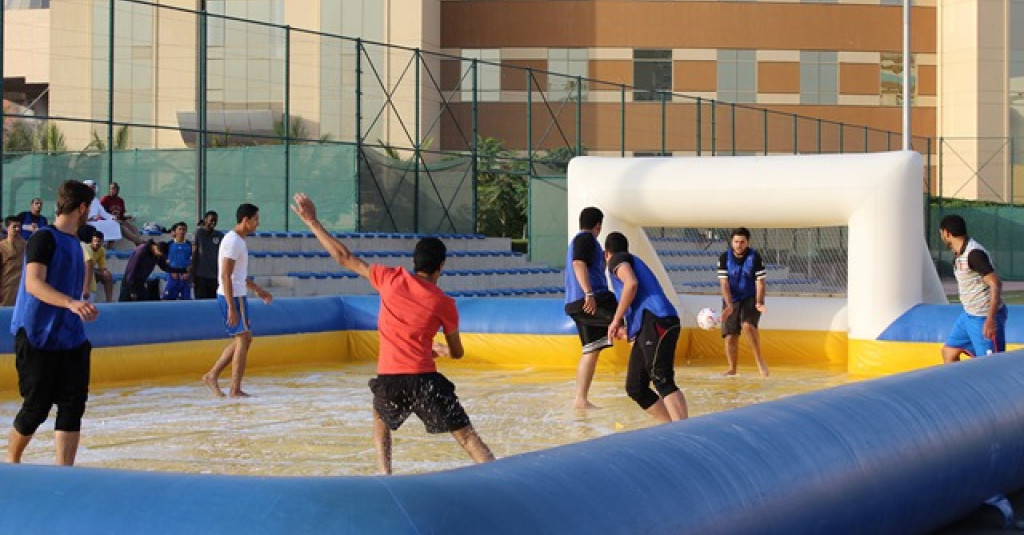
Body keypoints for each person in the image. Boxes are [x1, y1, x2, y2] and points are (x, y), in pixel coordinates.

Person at [290, 192, 494, 475]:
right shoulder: (445, 303)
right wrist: (441, 350)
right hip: (424, 380)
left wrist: (312, 222)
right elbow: (458, 353)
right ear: (441, 266)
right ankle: (497, 477)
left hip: (390, 378)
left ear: (414, 262)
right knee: (467, 437)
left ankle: (385, 474)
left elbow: (343, 257)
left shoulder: (390, 279)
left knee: (380, 422)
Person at [7, 180, 99, 466]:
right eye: (89, 208)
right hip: (37, 334)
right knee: (36, 407)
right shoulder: (43, 238)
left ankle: (64, 472)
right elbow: (34, 284)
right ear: (82, 208)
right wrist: (71, 303)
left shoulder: (76, 243)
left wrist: (77, 306)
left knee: (73, 405)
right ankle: (11, 462)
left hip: (71, 337)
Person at [604, 232, 688, 423]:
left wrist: (616, 319)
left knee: (661, 378)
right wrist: (629, 330)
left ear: (606, 253)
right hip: (650, 325)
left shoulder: (617, 259)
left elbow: (631, 283)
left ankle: (684, 430)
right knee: (636, 387)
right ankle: (670, 426)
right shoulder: (633, 260)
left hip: (658, 321)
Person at [202, 204, 273, 398]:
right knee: (242, 339)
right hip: (232, 296)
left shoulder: (238, 241)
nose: (258, 223)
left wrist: (258, 290)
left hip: (237, 294)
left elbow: (238, 275)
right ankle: (235, 388)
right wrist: (231, 307)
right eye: (256, 219)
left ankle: (213, 375)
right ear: (245, 220)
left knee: (245, 338)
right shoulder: (233, 241)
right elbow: (226, 275)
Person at [564, 206, 617, 409]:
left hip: (575, 304)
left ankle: (580, 399)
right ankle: (646, 380)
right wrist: (589, 292)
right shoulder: (586, 239)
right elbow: (579, 263)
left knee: (591, 349)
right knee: (628, 322)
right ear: (598, 225)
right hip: (591, 300)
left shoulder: (577, 242)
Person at [938, 214, 1007, 362]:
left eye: (941, 233)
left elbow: (995, 283)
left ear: (947, 233)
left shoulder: (974, 254)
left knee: (990, 365)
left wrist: (990, 319)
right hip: (969, 314)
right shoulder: (959, 253)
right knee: (949, 352)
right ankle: (958, 378)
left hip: (983, 317)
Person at [718, 227, 769, 377]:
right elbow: (724, 284)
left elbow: (760, 283)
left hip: (750, 297)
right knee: (730, 335)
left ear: (747, 242)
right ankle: (732, 368)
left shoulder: (755, 257)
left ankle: (759, 360)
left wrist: (759, 302)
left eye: (742, 242)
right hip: (732, 298)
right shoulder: (724, 258)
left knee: (747, 325)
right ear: (731, 242)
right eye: (736, 242)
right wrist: (729, 305)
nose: (739, 245)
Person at [83, 179, 144, 245]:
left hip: (97, 223)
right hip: (87, 223)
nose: (93, 190)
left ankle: (139, 242)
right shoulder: (82, 200)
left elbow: (104, 214)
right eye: (91, 188)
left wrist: (113, 218)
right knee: (117, 225)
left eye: (93, 188)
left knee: (116, 224)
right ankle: (140, 242)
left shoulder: (95, 201)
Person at [192, 211, 223, 299]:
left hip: (215, 276)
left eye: (215, 221)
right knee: (201, 302)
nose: (213, 223)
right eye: (211, 220)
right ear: (205, 220)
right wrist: (192, 274)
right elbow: (194, 253)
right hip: (200, 276)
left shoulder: (219, 235)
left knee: (213, 302)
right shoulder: (199, 233)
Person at [162, 221, 192, 300]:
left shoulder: (189, 245)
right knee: (168, 299)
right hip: (172, 276)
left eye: (184, 229)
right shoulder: (169, 244)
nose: (182, 231)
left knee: (186, 300)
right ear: (175, 231)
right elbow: (164, 261)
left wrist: (188, 272)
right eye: (180, 229)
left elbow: (192, 260)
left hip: (185, 277)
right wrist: (171, 271)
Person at [0, 216, 26, 306]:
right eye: (14, 227)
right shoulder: (2, 247)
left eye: (19, 226)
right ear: (7, 228)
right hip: (6, 288)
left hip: (21, 287)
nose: (17, 229)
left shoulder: (25, 245)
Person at [89, 230, 114, 302]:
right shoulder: (86, 248)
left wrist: (105, 272)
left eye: (99, 241)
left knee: (108, 276)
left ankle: (109, 301)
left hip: (92, 270)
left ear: (102, 242)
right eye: (95, 241)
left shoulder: (101, 250)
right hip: (83, 270)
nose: (96, 243)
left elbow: (102, 267)